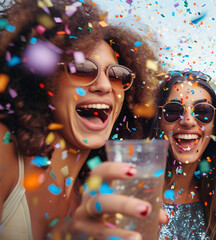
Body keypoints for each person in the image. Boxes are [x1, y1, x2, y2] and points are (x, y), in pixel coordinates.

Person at [0, 0, 166, 239]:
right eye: (82, 69)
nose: (104, 86)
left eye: (117, 75)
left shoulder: (102, 194)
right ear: (43, 81)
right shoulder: (6, 152)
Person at [152, 71, 216, 239]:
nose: (188, 121)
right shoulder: (136, 189)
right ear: (159, 121)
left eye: (202, 111)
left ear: (214, 125)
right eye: (173, 111)